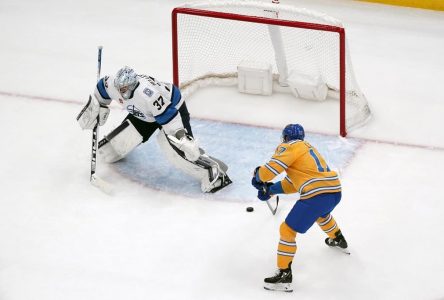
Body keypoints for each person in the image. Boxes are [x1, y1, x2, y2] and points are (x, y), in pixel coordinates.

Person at [77, 66, 231, 193]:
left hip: (172, 109)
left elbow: (169, 116)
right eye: (120, 88)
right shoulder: (113, 85)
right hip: (146, 114)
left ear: (132, 85)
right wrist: (97, 106)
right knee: (116, 143)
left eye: (125, 88)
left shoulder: (147, 94)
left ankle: (215, 174)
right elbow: (101, 89)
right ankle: (113, 148)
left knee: (180, 149)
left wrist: (182, 137)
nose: (121, 91)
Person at [251, 124, 348, 292]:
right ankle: (338, 238)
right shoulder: (308, 150)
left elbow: (269, 171)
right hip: (334, 191)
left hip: (316, 195)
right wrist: (271, 190)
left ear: (285, 137)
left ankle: (284, 275)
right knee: (321, 215)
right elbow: (293, 184)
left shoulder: (290, 146)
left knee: (287, 230)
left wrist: (258, 175)